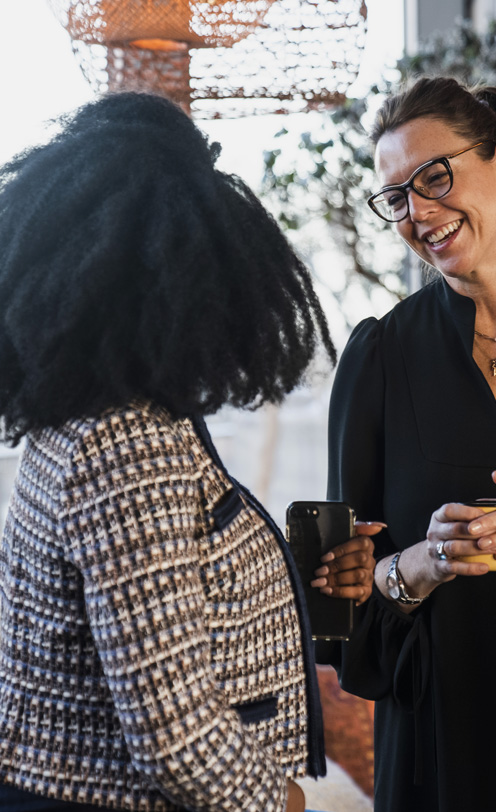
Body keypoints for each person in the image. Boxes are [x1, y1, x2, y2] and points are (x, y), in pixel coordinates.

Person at [0, 91, 377, 812]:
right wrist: (281, 801)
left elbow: (157, 582)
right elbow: (173, 735)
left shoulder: (96, 416)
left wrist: (293, 570)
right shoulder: (127, 449)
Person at [325, 75, 496, 812]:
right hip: (434, 753)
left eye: (434, 177)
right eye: (396, 199)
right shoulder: (380, 356)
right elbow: (334, 594)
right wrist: (421, 563)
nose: (418, 212)